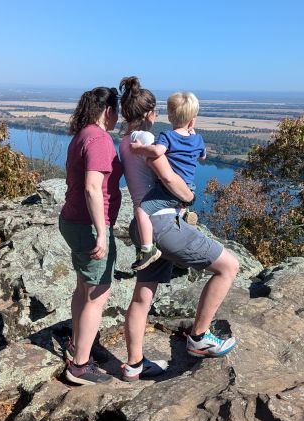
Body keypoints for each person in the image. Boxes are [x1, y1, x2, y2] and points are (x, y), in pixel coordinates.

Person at [119, 77, 239, 382]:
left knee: (142, 297)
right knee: (228, 266)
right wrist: (190, 197)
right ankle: (199, 337)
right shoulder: (146, 140)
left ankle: (134, 364)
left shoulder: (124, 140)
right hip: (163, 222)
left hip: (144, 225)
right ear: (150, 113)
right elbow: (170, 178)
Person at [58, 86, 122, 385]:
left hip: (73, 220)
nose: (117, 118)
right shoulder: (98, 139)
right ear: (108, 110)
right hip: (88, 225)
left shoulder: (82, 135)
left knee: (83, 288)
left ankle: (75, 345)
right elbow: (92, 188)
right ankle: (80, 366)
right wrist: (101, 232)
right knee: (98, 295)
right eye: (116, 112)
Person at [129, 90, 206, 271]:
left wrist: (139, 149)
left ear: (171, 117)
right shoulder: (198, 139)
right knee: (180, 201)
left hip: (168, 189)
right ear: (192, 120)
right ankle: (184, 213)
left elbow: (156, 152)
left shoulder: (167, 136)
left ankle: (147, 250)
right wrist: (193, 136)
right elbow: (203, 157)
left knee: (141, 211)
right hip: (188, 186)